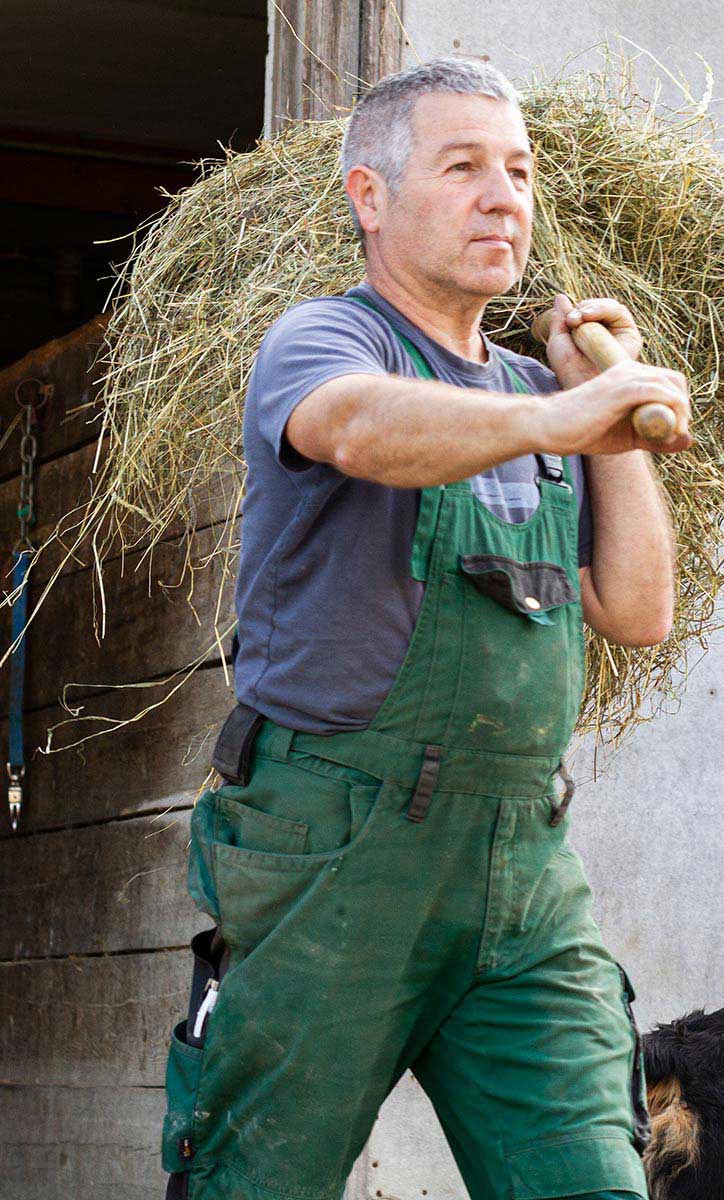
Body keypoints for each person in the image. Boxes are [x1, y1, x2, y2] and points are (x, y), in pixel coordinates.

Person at [159, 55, 692, 1200]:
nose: (504, 197)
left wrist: (618, 410)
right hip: (337, 848)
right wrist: (561, 410)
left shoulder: (538, 393)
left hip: (524, 860)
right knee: (259, 1180)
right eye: (463, 169)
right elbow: (353, 429)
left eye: (520, 170)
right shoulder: (324, 342)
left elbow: (638, 611)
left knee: (594, 1181)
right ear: (370, 195)